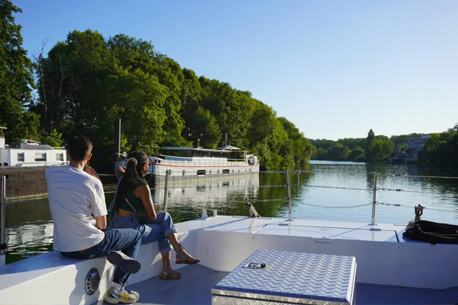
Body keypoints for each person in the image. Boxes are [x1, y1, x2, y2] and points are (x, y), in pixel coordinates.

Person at [46, 135, 142, 304]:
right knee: (135, 235)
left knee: (100, 233)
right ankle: (117, 289)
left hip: (64, 248)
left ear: (67, 153)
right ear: (89, 156)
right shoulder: (92, 182)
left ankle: (110, 251)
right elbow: (102, 224)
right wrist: (95, 179)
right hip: (88, 246)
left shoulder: (51, 173)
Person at [111, 151, 199, 280]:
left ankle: (176, 259)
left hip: (116, 224)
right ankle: (175, 259)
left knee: (164, 219)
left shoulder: (123, 179)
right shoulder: (141, 185)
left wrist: (123, 163)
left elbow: (118, 169)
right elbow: (152, 216)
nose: (149, 166)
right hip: (131, 229)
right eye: (148, 163)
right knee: (164, 227)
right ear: (144, 167)